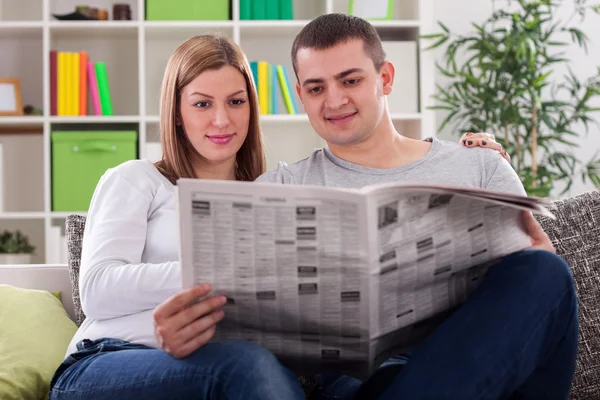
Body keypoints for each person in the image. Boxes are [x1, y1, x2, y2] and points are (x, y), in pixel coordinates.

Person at [47, 33, 511, 400]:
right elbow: (98, 289)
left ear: (253, 106)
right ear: (177, 111)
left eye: (235, 101)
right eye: (202, 103)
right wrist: (221, 273)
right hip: (108, 359)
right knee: (249, 368)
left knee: (268, 371)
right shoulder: (138, 179)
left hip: (218, 361)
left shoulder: (267, 195)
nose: (222, 121)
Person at [256, 13, 578, 400]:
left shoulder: (480, 164)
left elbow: (540, 291)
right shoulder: (284, 187)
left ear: (385, 78)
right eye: (315, 88)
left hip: (481, 354)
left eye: (350, 80)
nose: (334, 100)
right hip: (372, 377)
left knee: (545, 270)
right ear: (300, 94)